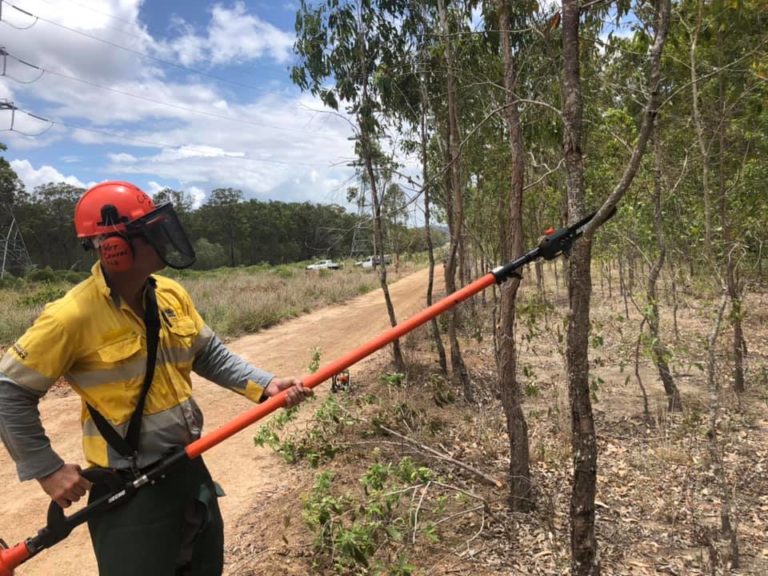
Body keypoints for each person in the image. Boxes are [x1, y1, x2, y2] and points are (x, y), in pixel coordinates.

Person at [0, 181, 312, 575]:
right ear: (115, 247)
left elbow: (208, 352)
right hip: (128, 493)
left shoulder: (170, 294)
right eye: (151, 232)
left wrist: (265, 384)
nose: (163, 239)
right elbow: (8, 391)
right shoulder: (71, 316)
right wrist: (46, 468)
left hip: (187, 468)